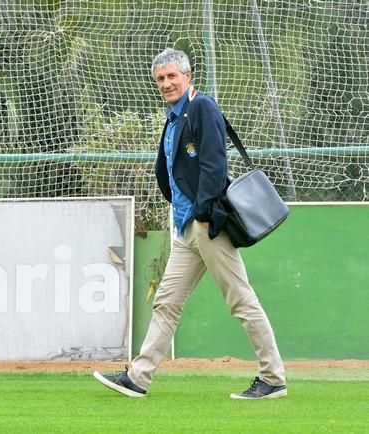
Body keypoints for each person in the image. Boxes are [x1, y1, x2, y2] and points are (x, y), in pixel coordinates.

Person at [93, 48, 287, 399]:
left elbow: (215, 164)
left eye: (172, 76)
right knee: (167, 302)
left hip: (206, 225)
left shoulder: (202, 107)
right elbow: (171, 170)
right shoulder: (174, 116)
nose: (167, 83)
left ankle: (273, 378)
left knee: (240, 300)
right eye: (161, 79)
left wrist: (201, 212)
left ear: (188, 75)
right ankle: (138, 377)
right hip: (186, 229)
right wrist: (186, 214)